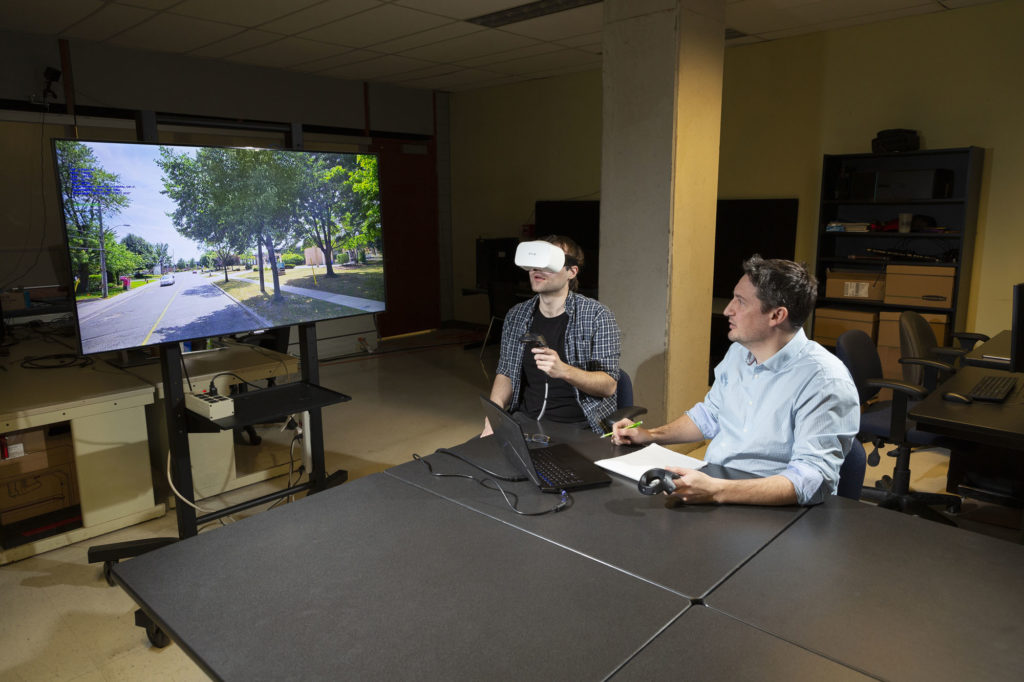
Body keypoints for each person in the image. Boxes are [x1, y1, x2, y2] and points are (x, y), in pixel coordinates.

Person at [612, 255, 859, 506]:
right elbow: (711, 415)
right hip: (720, 481)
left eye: (740, 302)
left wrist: (717, 491)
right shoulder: (741, 352)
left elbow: (811, 480)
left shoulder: (825, 380)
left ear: (776, 315)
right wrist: (649, 435)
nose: (728, 309)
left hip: (773, 506)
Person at [484, 235, 621, 436]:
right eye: (535, 262)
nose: (537, 269)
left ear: (571, 271)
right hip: (526, 421)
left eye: (548, 261)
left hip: (580, 426)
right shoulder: (517, 316)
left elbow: (608, 386)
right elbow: (506, 372)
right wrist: (492, 419)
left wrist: (564, 371)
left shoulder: (597, 316)